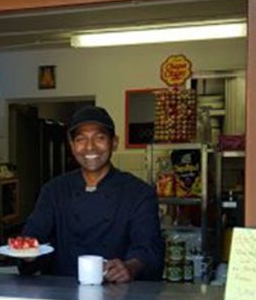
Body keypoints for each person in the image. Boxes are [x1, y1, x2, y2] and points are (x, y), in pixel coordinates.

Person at [20, 105, 164, 282]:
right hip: (62, 294)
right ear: (72, 146)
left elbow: (148, 249)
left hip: (118, 295)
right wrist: (27, 253)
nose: (90, 147)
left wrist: (130, 267)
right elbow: (33, 235)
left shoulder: (139, 193)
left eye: (99, 138)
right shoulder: (54, 190)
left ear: (114, 142)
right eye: (81, 139)